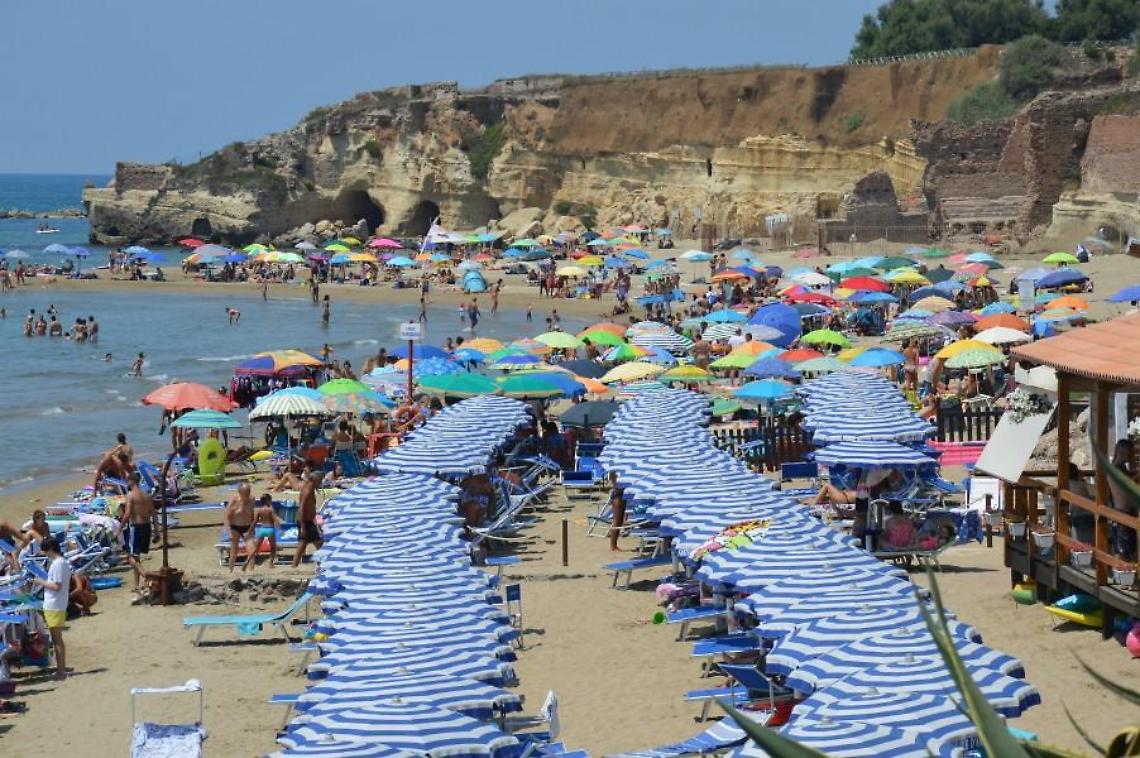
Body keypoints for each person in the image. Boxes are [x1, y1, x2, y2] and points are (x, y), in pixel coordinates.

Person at [30, 537, 70, 681]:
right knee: (57, 639)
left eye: (45, 550)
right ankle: (61, 669)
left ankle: (61, 671)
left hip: (55, 605)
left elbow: (56, 586)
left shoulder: (58, 564)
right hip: (57, 604)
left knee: (56, 639)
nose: (44, 553)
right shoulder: (61, 563)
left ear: (51, 549)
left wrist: (40, 581)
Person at [121, 472, 159, 591]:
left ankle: (147, 577)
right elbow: (154, 514)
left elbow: (127, 514)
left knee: (130, 558)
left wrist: (119, 528)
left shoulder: (130, 495)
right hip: (146, 527)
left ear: (131, 481)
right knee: (136, 558)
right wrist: (156, 531)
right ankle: (136, 585)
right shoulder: (146, 495)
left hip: (135, 527)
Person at [292, 470, 325, 567]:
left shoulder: (309, 488)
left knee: (314, 543)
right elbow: (301, 508)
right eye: (319, 481)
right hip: (305, 521)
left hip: (308, 521)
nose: (320, 483)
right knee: (306, 544)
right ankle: (294, 566)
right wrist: (302, 526)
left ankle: (295, 565)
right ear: (315, 480)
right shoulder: (307, 490)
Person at [223, 483, 255, 572]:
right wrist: (229, 532)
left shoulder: (252, 499)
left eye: (248, 493)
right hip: (235, 527)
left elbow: (252, 514)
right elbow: (226, 518)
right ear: (240, 493)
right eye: (245, 494)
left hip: (247, 527)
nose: (247, 496)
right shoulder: (234, 501)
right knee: (234, 551)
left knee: (252, 550)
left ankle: (251, 572)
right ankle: (230, 571)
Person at [244, 494, 280, 571]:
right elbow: (275, 520)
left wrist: (249, 531)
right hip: (270, 529)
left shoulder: (258, 510)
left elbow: (254, 522)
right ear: (268, 500)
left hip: (262, 529)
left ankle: (247, 561)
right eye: (270, 500)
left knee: (255, 549)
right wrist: (280, 528)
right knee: (273, 548)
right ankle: (270, 564)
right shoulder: (270, 509)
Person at [606, 471, 627, 551]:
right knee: (617, 520)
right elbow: (612, 479)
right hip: (618, 494)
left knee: (619, 520)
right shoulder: (615, 470)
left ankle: (614, 545)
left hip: (619, 493)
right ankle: (613, 546)